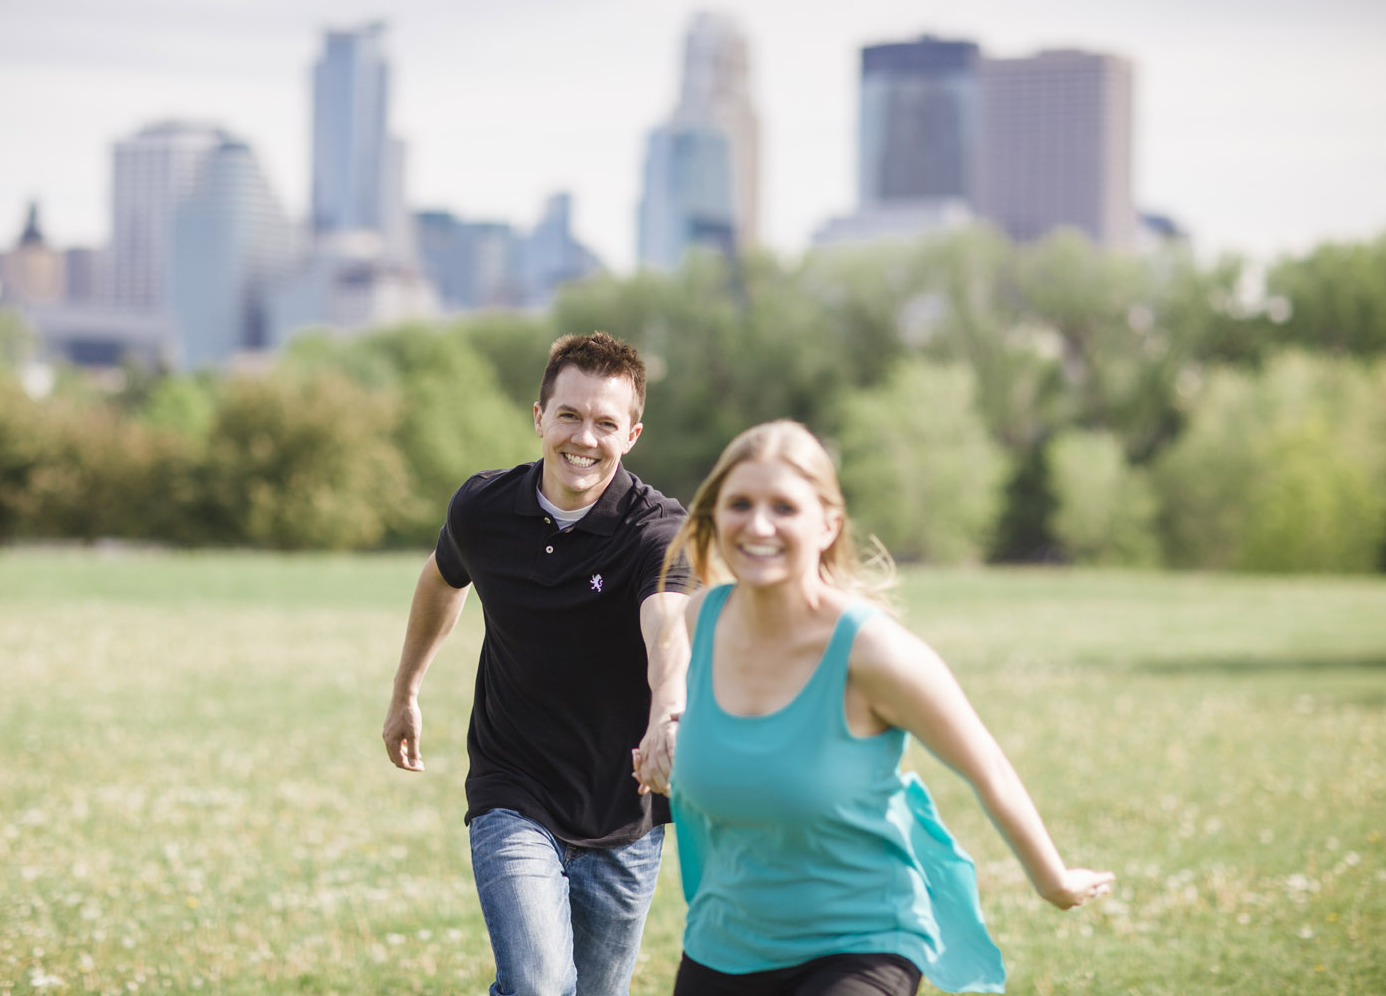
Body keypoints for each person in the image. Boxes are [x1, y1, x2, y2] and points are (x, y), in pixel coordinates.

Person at [638, 420, 1113, 996]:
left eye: (784, 507)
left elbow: (986, 766)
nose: (758, 524)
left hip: (860, 941)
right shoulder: (703, 619)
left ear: (828, 524)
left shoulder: (872, 652)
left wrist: (1054, 881)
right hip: (725, 943)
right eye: (740, 503)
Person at [382, 332, 692, 996]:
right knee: (539, 986)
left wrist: (669, 713)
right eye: (570, 415)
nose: (585, 437)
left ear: (632, 433)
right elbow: (442, 580)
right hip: (513, 789)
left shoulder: (658, 531)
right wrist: (407, 689)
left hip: (624, 810)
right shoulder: (484, 509)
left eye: (606, 422)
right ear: (539, 417)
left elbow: (667, 628)